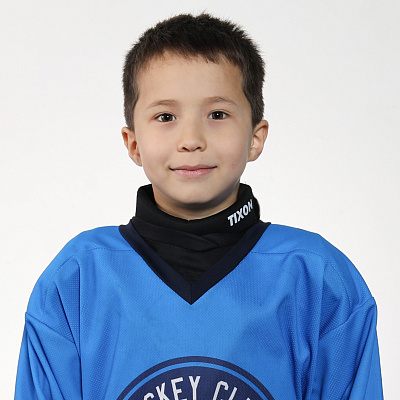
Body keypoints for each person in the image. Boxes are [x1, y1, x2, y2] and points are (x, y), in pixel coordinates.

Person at [15, 13, 383, 399]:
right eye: (166, 116)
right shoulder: (77, 279)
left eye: (217, 115)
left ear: (255, 137)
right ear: (133, 143)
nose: (191, 139)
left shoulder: (318, 278)